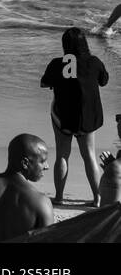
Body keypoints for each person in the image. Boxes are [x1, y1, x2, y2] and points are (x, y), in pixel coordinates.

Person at [41, 27, 110, 206]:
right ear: (84, 43)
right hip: (88, 117)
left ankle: (59, 197)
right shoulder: (94, 62)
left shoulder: (58, 63)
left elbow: (44, 83)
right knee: (89, 155)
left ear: (65, 45)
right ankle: (97, 198)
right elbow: (104, 80)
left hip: (62, 116)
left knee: (62, 155)